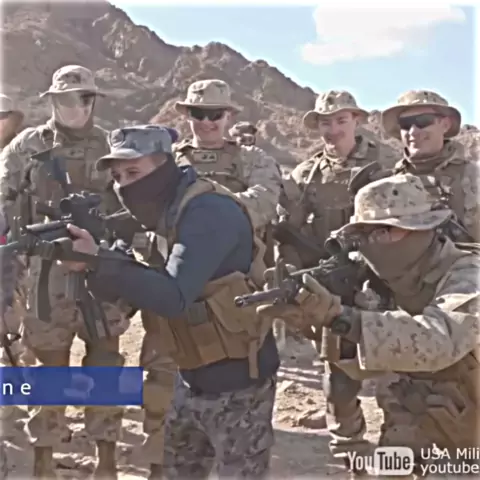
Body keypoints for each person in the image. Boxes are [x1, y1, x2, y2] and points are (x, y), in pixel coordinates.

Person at [58, 124, 280, 479]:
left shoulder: (207, 210)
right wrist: (94, 264)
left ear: (164, 165)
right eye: (117, 177)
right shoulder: (161, 215)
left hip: (239, 383)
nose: (125, 185)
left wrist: (100, 260)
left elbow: (173, 296)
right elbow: (135, 286)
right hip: (190, 373)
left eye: (134, 172)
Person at [257, 173, 480, 473]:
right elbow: (349, 370)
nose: (372, 244)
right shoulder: (372, 277)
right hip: (406, 420)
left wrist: (345, 319)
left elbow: (439, 340)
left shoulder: (468, 275)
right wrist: (318, 322)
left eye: (384, 231)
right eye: (363, 234)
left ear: (423, 228)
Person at [0, 65, 130, 478]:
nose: (77, 106)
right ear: (52, 101)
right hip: (45, 275)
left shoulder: (113, 147)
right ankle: (43, 460)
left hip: (101, 270)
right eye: (67, 98)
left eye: (85, 98)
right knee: (46, 368)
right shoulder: (27, 146)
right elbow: (3, 199)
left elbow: (134, 206)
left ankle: (106, 460)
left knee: (107, 365)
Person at [277, 90, 398, 464]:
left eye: (341, 121)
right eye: (325, 123)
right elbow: (290, 231)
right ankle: (353, 458)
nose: (332, 130)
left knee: (395, 383)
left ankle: (398, 456)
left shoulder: (387, 166)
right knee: (338, 382)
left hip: (384, 287)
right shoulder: (307, 174)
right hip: (334, 288)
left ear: (356, 121)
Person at [381, 90, 479, 242]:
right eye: (405, 124)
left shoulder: (473, 176)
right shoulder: (387, 183)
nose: (413, 132)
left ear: (445, 125)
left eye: (423, 121)